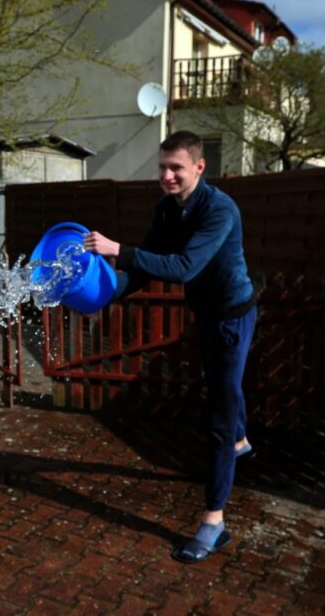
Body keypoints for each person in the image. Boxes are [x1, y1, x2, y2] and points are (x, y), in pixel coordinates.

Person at [83, 130, 256, 564]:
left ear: (199, 167)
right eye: (162, 167)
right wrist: (102, 295)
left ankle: (214, 523)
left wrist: (118, 250)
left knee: (219, 412)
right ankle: (240, 439)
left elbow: (182, 267)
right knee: (224, 388)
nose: (166, 176)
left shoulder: (220, 209)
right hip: (207, 313)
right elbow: (144, 268)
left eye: (176, 167)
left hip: (232, 315)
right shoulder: (166, 209)